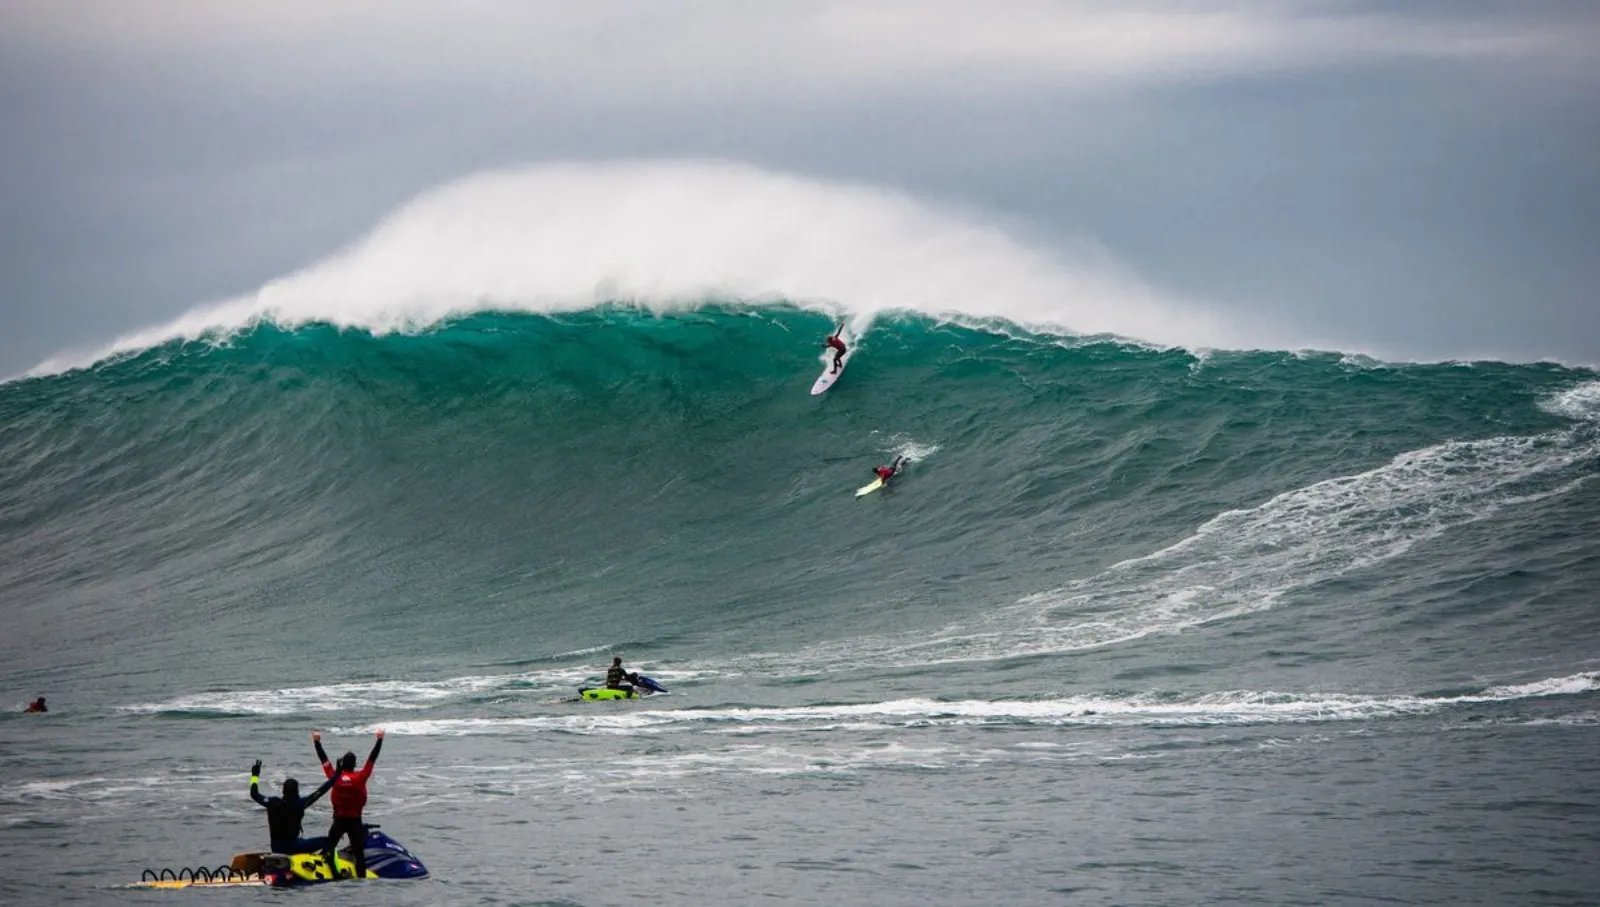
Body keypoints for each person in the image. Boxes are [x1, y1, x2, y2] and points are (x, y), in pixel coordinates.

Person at [313, 729, 384, 880]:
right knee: (359, 854)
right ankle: (362, 879)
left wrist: (317, 742)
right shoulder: (361, 777)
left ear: (342, 764)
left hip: (339, 820)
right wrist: (379, 740)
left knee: (329, 847)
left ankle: (328, 872)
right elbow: (372, 758)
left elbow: (323, 760)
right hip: (355, 821)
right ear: (354, 765)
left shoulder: (335, 777)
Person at [249, 760, 333, 854]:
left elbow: (254, 794)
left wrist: (255, 776)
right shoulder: (299, 804)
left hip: (276, 848)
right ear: (297, 792)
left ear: (283, 791)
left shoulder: (273, 803)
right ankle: (328, 865)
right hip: (293, 847)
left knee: (301, 841)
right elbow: (320, 792)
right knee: (328, 841)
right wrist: (335, 777)